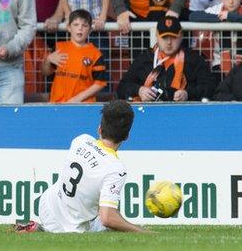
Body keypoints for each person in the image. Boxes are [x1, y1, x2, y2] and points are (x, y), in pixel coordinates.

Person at [16, 100, 147, 233]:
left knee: (100, 211)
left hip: (47, 206)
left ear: (99, 129)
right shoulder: (116, 168)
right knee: (111, 222)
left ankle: (41, 229)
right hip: (72, 226)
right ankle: (44, 231)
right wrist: (143, 232)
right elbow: (108, 218)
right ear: (127, 137)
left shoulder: (81, 140)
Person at [117, 16, 216, 102]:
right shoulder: (144, 58)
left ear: (181, 37)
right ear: (157, 36)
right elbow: (122, 87)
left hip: (185, 113)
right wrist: (139, 90)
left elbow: (211, 87)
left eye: (173, 37)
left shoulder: (194, 59)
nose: (169, 42)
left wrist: (188, 93)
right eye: (164, 38)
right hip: (150, 113)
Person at [43, 10, 106, 103]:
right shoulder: (59, 47)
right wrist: (48, 60)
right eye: (76, 25)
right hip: (57, 103)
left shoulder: (95, 54)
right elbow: (46, 73)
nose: (80, 28)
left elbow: (100, 83)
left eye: (84, 26)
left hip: (83, 105)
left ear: (90, 30)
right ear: (69, 27)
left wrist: (78, 99)